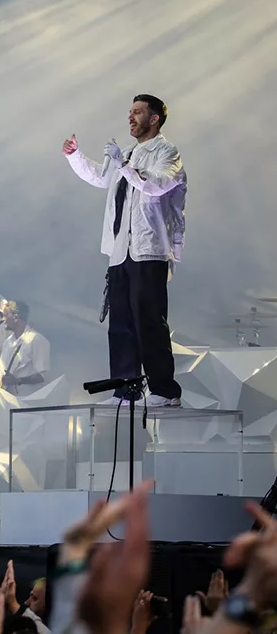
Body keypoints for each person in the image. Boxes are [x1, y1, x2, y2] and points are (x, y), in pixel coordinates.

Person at [63, 94, 186, 405]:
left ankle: (164, 391)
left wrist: (124, 164)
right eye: (130, 112)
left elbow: (156, 185)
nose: (130, 117)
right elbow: (103, 178)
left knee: (149, 321)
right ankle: (126, 390)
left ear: (154, 119)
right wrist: (76, 156)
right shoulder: (129, 153)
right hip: (121, 249)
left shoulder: (167, 152)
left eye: (138, 112)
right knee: (121, 324)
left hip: (149, 249)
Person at [0, 301, 50, 393]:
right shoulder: (7, 343)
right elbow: (1, 376)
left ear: (15, 318)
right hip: (8, 398)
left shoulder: (36, 339)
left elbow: (42, 376)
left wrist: (18, 381)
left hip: (28, 399)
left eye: (5, 316)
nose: (3, 319)